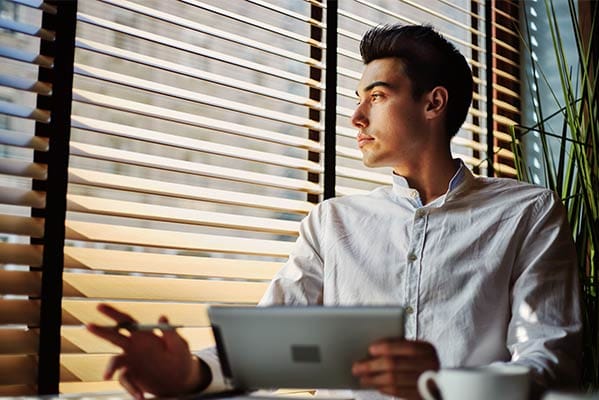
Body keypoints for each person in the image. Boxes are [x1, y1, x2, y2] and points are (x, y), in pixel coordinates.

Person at [88, 24, 582, 400]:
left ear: (433, 104)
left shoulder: (528, 212)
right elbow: (265, 348)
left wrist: (441, 386)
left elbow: (550, 359)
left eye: (377, 96)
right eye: (357, 98)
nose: (356, 117)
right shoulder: (332, 223)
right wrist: (189, 373)